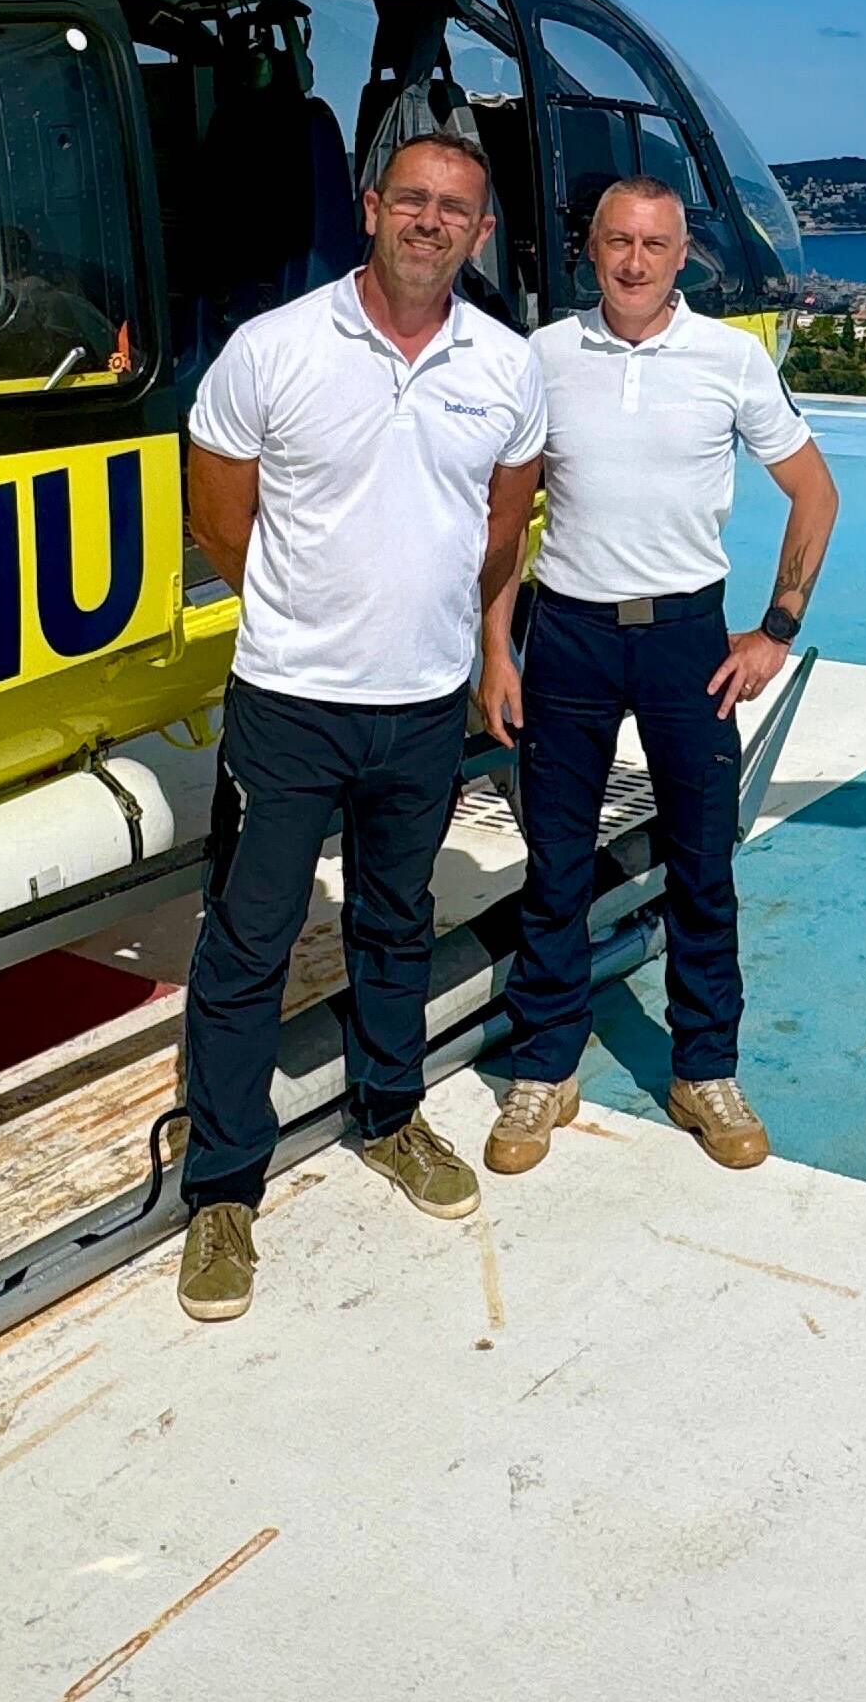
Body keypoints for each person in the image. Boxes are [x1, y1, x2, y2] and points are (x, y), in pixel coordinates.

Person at [172, 130, 546, 1324]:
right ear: (372, 207)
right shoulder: (272, 350)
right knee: (250, 942)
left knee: (396, 922)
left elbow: (503, 527)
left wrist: (465, 642)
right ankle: (224, 1189)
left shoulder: (504, 363)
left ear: (480, 234)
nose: (431, 224)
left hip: (424, 705)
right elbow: (220, 522)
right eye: (413, 202)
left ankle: (389, 1116)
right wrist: (311, 619)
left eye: (457, 211)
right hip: (289, 703)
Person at [477, 175, 840, 1175]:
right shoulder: (543, 355)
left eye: (655, 244)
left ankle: (705, 1070)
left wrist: (774, 629)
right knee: (552, 867)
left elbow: (814, 493)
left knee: (701, 865)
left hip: (688, 640)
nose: (635, 262)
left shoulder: (731, 360)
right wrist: (494, 650)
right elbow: (506, 521)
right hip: (570, 638)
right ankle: (544, 1070)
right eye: (617, 242)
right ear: (588, 250)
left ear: (685, 257)